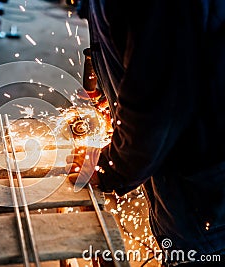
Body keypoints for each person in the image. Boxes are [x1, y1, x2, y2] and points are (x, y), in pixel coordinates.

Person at [65, 0, 225, 266]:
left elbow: (157, 113)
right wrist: (111, 89)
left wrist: (106, 169)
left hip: (204, 177)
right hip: (188, 160)